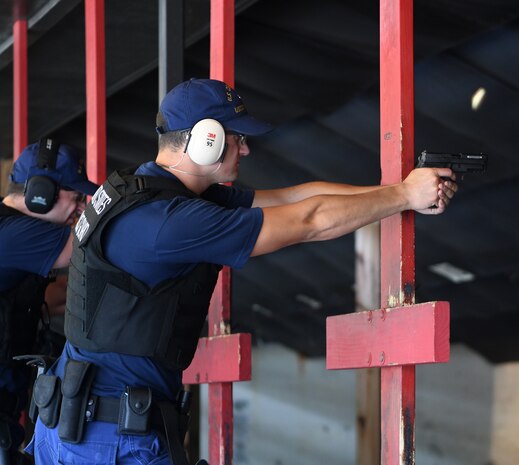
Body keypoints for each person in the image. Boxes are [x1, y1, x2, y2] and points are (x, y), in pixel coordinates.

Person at [25, 78, 458, 465]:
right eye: (237, 139)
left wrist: (406, 190)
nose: (246, 149)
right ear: (206, 141)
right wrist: (403, 196)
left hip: (80, 425)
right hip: (109, 443)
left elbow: (295, 197)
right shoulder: (169, 221)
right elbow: (308, 222)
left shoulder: (145, 191)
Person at [0, 139, 98, 464]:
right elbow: (91, 242)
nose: (81, 207)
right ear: (41, 193)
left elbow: (51, 297)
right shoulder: (14, 234)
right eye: (76, 196)